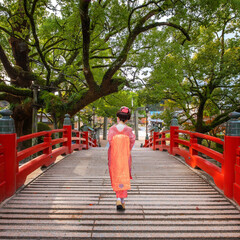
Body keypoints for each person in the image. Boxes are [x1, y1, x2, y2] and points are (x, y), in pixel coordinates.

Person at [108, 106, 135, 211]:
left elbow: (110, 141)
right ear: (127, 119)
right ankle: (122, 200)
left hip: (114, 155)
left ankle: (119, 198)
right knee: (124, 174)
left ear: (117, 117)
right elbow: (132, 141)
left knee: (116, 175)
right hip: (125, 155)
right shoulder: (128, 130)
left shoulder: (112, 129)